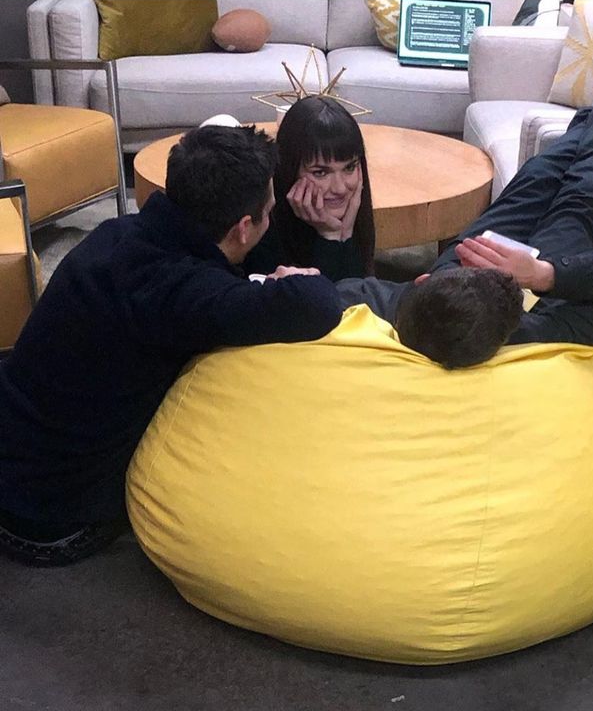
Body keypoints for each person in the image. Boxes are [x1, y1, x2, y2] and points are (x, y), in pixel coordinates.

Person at [0, 125, 343, 567]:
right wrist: (296, 277)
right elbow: (316, 305)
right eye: (267, 213)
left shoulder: (117, 232)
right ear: (243, 227)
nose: (270, 221)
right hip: (52, 519)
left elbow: (227, 263)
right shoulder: (184, 294)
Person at [336, 0, 593, 369]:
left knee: (538, 173)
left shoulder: (387, 304)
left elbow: (320, 294)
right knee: (585, 186)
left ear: (419, 281)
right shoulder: (536, 329)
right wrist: (542, 274)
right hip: (547, 276)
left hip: (463, 270)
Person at [243, 95, 376, 281]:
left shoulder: (354, 213)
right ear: (289, 171)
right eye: (320, 172)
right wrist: (330, 238)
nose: (339, 188)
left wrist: (343, 235)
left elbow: (358, 299)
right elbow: (319, 306)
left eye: (349, 167)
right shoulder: (261, 229)